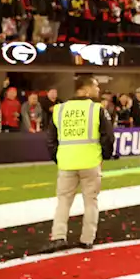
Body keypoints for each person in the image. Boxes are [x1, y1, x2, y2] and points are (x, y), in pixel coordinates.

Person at [43, 75, 114, 252]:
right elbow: (108, 137)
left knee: (63, 202)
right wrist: (103, 156)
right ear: (85, 89)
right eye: (95, 86)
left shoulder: (59, 109)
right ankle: (87, 239)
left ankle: (58, 236)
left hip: (67, 163)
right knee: (91, 201)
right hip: (90, 162)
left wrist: (58, 157)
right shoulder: (97, 109)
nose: (98, 90)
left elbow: (50, 139)